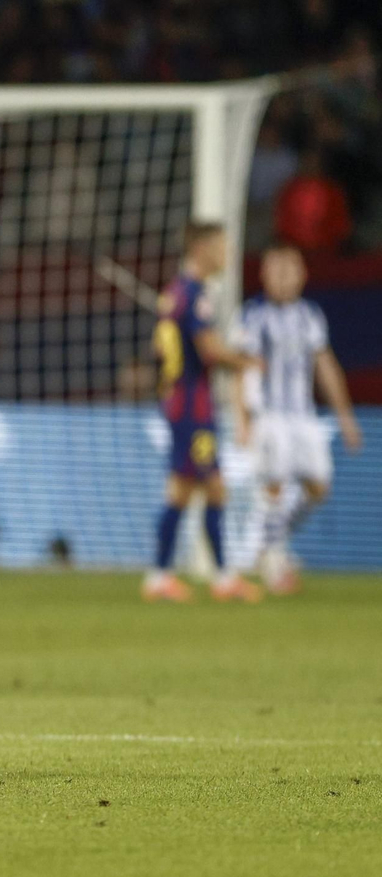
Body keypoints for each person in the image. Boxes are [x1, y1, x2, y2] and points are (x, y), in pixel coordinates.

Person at [232, 243, 363, 594]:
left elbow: (325, 366)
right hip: (269, 415)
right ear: (263, 275)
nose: (283, 278)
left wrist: (345, 417)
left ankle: (268, 543)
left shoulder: (310, 315)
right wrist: (242, 419)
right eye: (276, 270)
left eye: (289, 270)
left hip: (304, 415)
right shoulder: (252, 315)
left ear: (303, 275)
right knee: (274, 485)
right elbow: (241, 370)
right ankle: (274, 561)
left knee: (319, 486)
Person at [146, 221, 262, 603]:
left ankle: (176, 576)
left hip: (181, 402)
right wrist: (247, 362)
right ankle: (204, 578)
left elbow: (159, 348)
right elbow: (209, 350)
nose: (226, 254)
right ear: (200, 248)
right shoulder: (195, 294)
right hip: (192, 406)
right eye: (220, 246)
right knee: (205, 486)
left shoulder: (174, 293)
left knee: (193, 489)